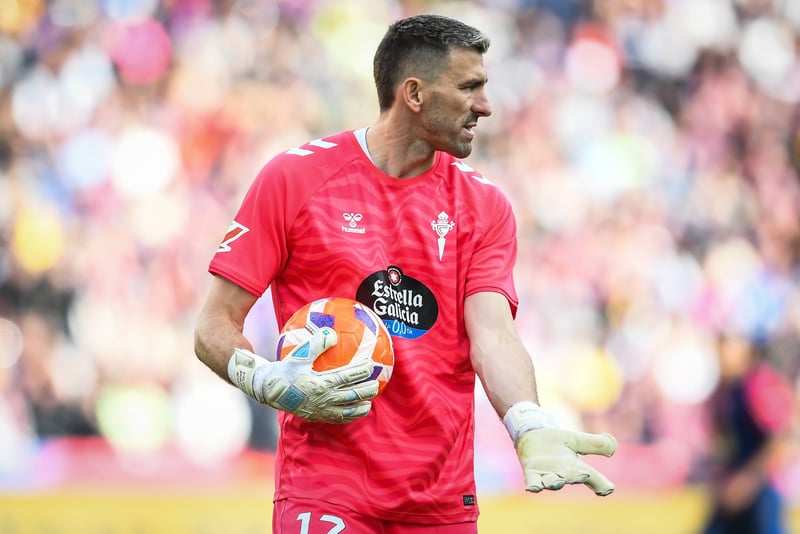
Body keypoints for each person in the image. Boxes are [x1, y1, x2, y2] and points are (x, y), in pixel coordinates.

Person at [194, 13, 618, 533]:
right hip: (326, 492)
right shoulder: (294, 178)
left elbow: (494, 335)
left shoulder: (485, 206)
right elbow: (213, 325)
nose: (485, 106)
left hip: (440, 503)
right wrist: (268, 381)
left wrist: (527, 421)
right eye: (469, 87)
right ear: (414, 93)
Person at [700, 333, 797, 534]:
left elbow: (784, 438)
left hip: (762, 487)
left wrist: (747, 481)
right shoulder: (728, 388)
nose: (722, 353)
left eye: (729, 345)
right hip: (733, 486)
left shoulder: (759, 384)